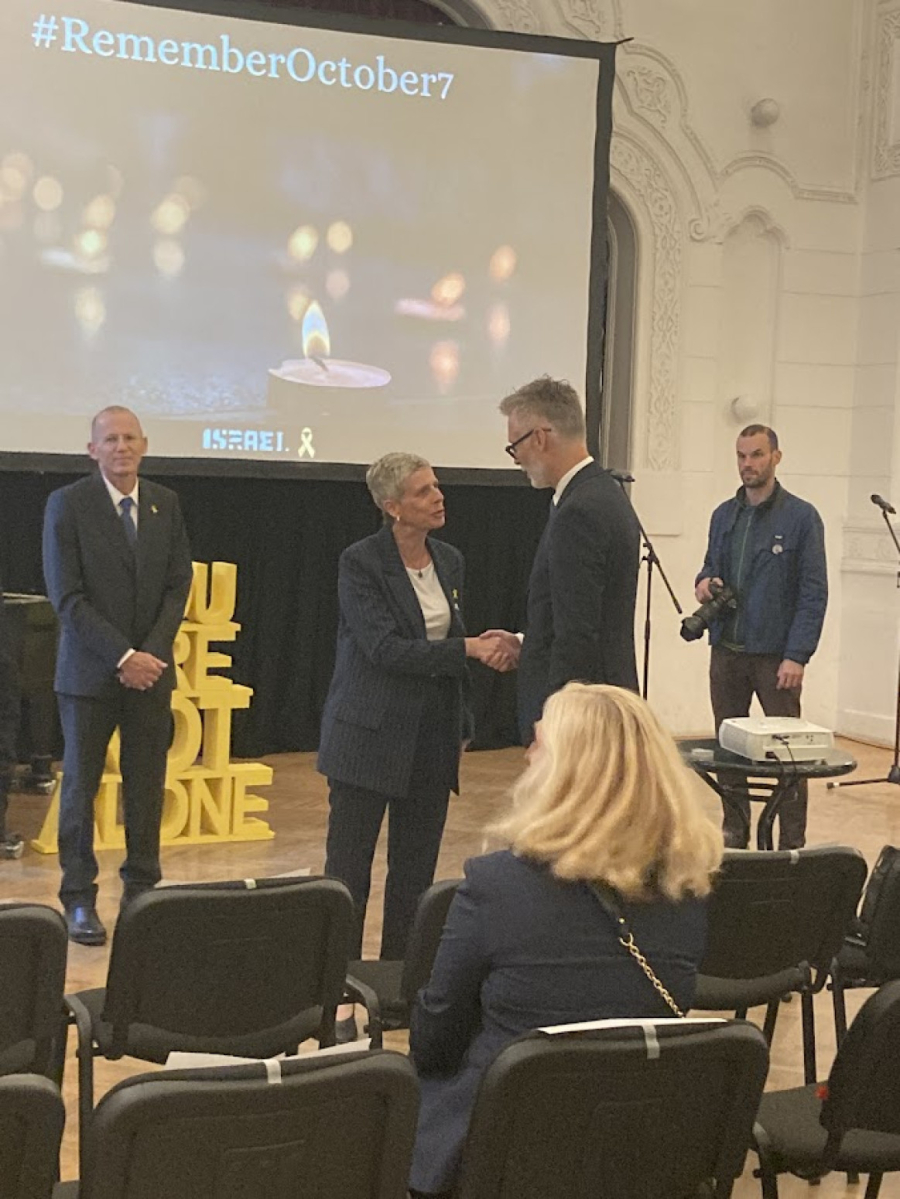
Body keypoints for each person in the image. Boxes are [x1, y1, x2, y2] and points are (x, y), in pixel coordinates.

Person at [407, 682, 722, 1197]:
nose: (527, 757)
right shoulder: (687, 888)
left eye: (537, 744)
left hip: (507, 1147)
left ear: (567, 774)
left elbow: (433, 1040)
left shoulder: (496, 885)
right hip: (634, 1148)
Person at [318, 452, 513, 1039]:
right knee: (348, 874)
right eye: (424, 490)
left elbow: (450, 643)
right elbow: (383, 649)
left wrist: (463, 723)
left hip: (430, 738)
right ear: (392, 506)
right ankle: (337, 998)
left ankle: (399, 992)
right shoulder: (360, 562)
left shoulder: (449, 559)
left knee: (415, 873)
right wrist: (469, 650)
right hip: (366, 737)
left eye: (437, 486)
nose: (439, 496)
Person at [42, 407, 192, 945]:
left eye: (130, 438)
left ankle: (142, 891)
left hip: (151, 674)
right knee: (81, 788)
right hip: (89, 675)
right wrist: (123, 656)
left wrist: (149, 654)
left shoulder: (165, 503)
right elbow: (67, 597)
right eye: (110, 439)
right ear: (93, 450)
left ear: (144, 445)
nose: (121, 447)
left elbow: (178, 584)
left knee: (147, 786)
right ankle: (78, 898)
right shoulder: (67, 504)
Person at [484, 376, 640, 743]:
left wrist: (557, 719)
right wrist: (526, 641)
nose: (517, 460)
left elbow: (578, 633)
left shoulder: (579, 510)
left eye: (514, 447)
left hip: (581, 714)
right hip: (600, 700)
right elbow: (577, 612)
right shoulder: (600, 494)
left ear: (539, 438)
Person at [695, 424, 827, 849]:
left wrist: (797, 654)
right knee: (729, 750)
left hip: (775, 658)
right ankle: (735, 834)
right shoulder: (723, 515)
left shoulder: (802, 517)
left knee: (788, 756)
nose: (747, 464)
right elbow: (709, 566)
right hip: (726, 653)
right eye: (741, 456)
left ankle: (791, 844)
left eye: (756, 455)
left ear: (776, 458)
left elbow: (813, 592)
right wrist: (704, 583)